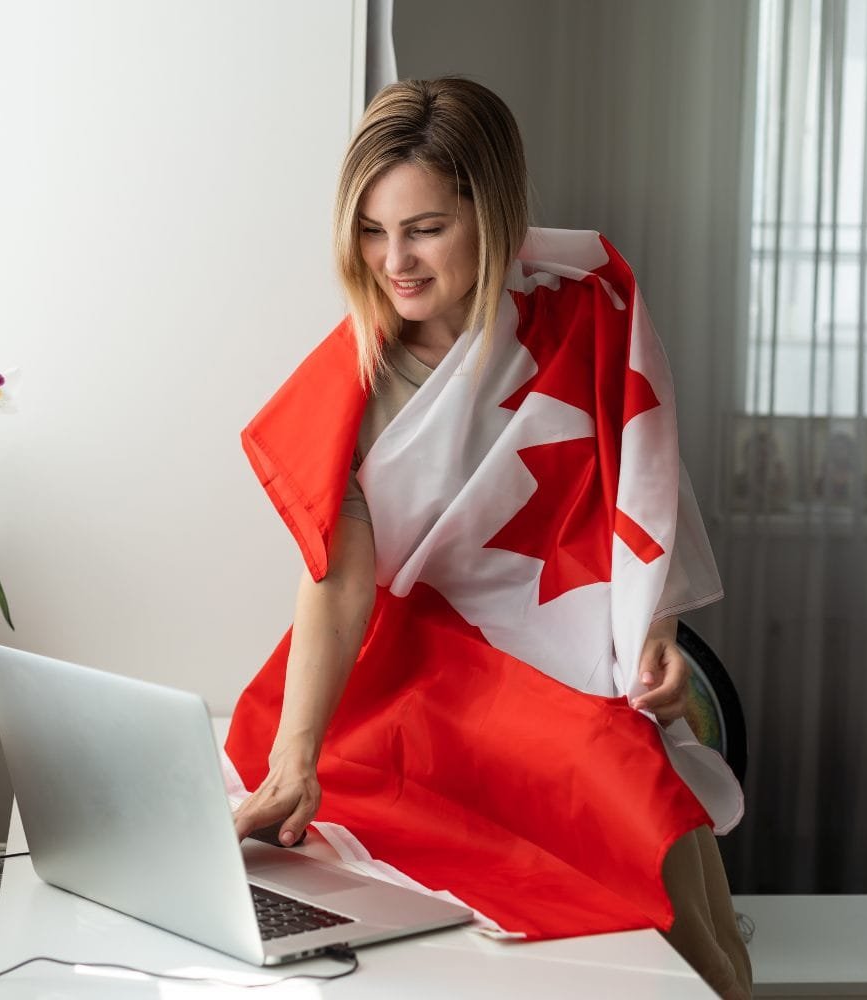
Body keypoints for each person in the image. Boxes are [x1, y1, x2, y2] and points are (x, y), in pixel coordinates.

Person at [225, 78, 751, 998]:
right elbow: (339, 581)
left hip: (566, 675)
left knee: (658, 857)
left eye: (424, 228)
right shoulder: (353, 377)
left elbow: (642, 494)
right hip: (416, 680)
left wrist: (653, 627)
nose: (396, 263)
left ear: (492, 209)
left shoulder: (589, 317)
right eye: (372, 231)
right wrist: (295, 759)